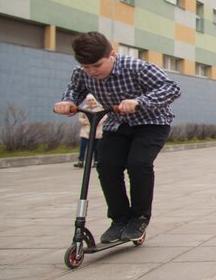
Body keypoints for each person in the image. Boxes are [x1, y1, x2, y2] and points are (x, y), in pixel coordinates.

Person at [54, 32, 181, 244]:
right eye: (87, 67)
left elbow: (171, 88)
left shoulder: (137, 67)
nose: (92, 72)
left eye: (96, 65)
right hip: (117, 123)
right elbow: (74, 90)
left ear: (111, 54)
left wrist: (139, 101)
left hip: (152, 123)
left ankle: (139, 218)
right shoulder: (81, 73)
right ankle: (119, 219)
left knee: (138, 164)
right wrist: (67, 102)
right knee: (106, 166)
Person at [74, 94, 106, 168]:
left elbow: (104, 117)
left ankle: (96, 161)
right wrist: (84, 121)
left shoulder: (100, 108)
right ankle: (81, 161)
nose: (90, 102)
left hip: (96, 130)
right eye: (89, 100)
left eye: (92, 100)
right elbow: (80, 117)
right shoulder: (84, 108)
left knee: (96, 147)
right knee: (83, 146)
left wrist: (97, 122)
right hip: (86, 130)